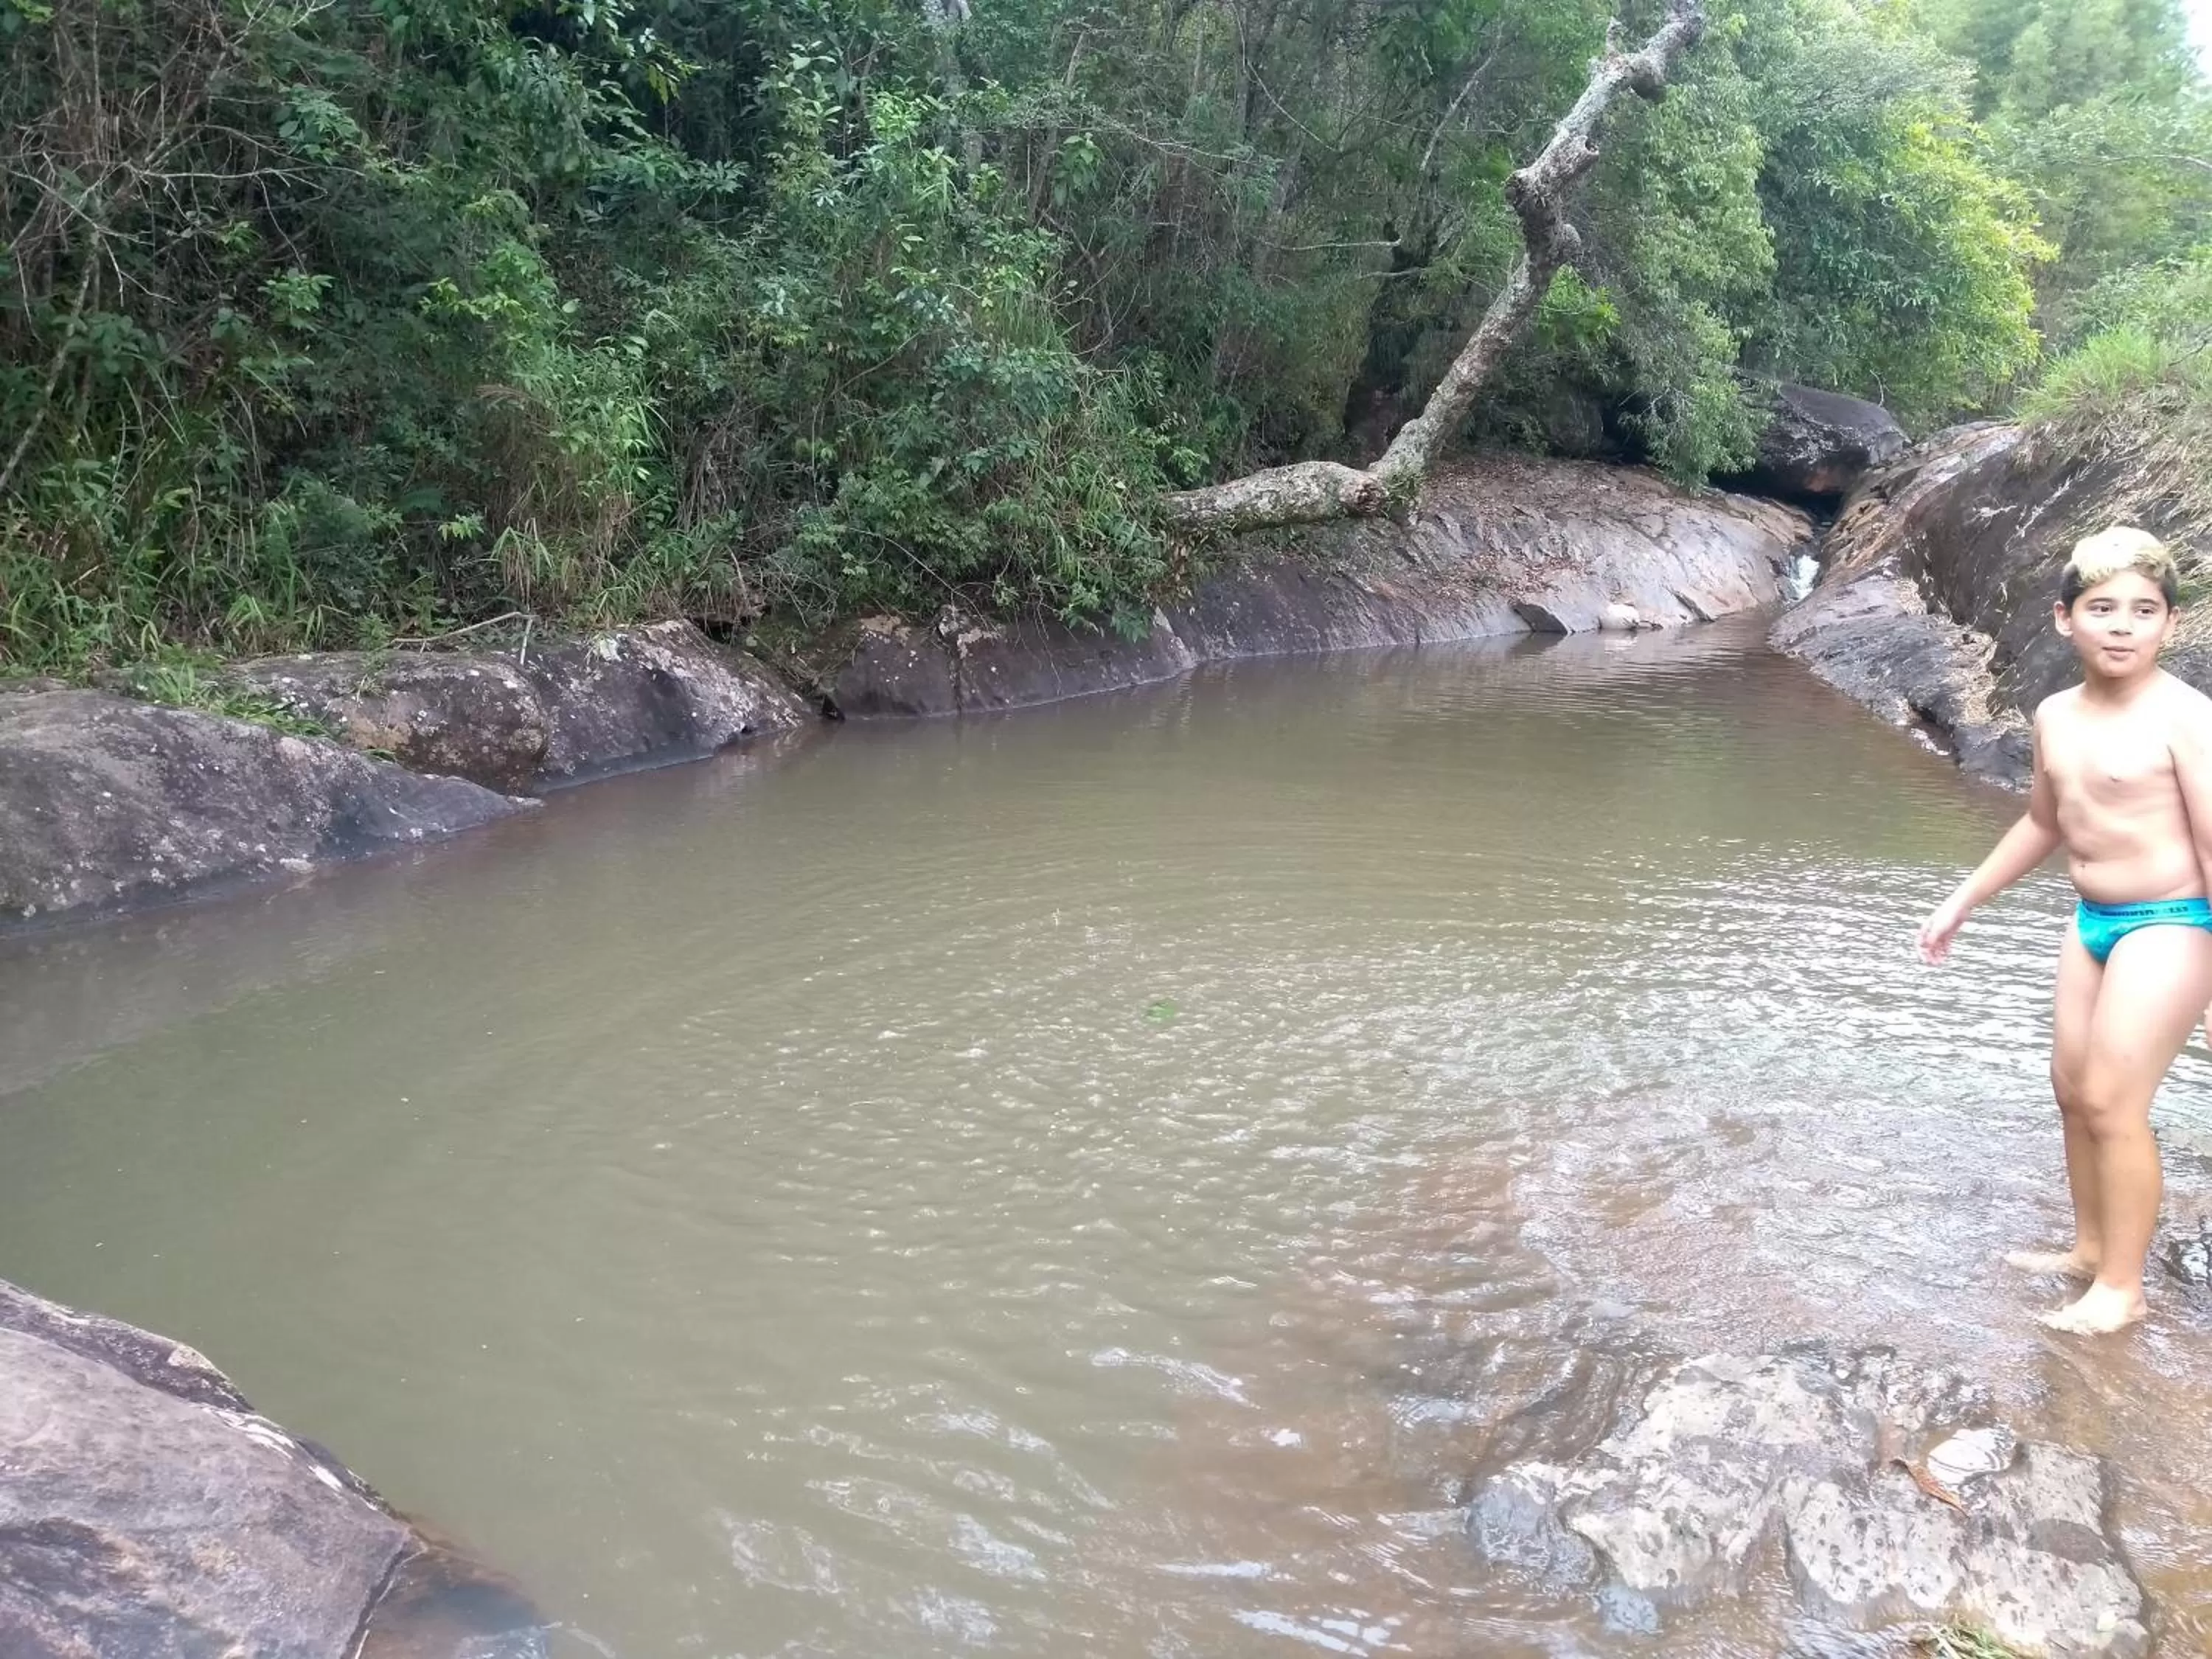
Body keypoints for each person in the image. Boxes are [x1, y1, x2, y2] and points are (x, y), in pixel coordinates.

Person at [1917, 526, 2212, 1334]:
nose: (2122, 626)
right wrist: (1962, 900)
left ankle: (2123, 1289)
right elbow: (2044, 824)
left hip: (2173, 922)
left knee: (2115, 1102)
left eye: (2144, 610)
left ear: (2170, 624)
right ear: (2064, 618)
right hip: (2093, 922)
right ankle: (2089, 1251)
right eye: (2102, 607)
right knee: (2074, 1094)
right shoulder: (2055, 714)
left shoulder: (2188, 718)